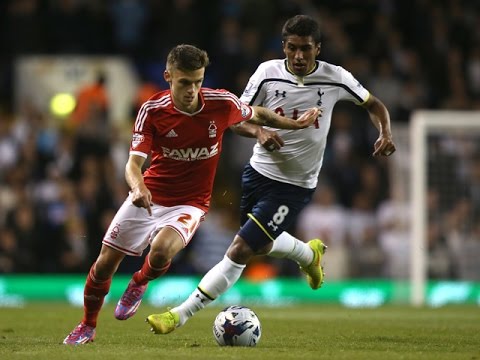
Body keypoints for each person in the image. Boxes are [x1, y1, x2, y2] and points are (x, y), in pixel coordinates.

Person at [146, 14, 396, 334]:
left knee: (240, 249)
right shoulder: (267, 73)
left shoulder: (336, 77)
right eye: (292, 48)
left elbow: (375, 105)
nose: (299, 56)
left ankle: (179, 314)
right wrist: (260, 133)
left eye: (306, 49)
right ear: (284, 47)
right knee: (260, 245)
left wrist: (385, 132)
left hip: (295, 184)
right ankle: (308, 253)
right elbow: (236, 119)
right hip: (257, 173)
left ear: (317, 48)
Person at [62, 44, 320, 345]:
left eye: (199, 81)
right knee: (105, 262)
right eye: (185, 82)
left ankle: (139, 281)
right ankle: (87, 326)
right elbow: (133, 164)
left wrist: (294, 123)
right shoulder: (152, 111)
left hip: (190, 203)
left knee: (160, 251)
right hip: (150, 193)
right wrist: (138, 187)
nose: (193, 89)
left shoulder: (220, 103)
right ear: (168, 77)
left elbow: (257, 113)